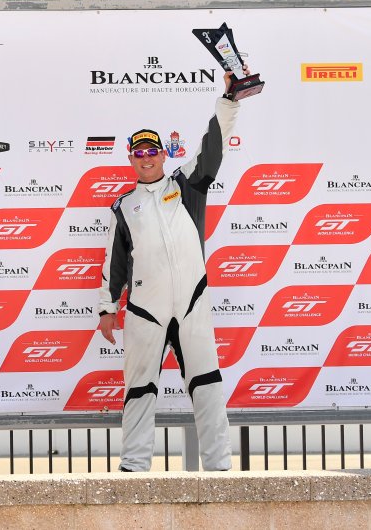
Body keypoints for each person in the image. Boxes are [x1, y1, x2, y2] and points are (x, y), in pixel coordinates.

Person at [98, 68, 249, 472]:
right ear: (131, 158)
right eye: (139, 153)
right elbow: (114, 262)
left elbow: (214, 144)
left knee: (207, 385)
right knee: (139, 390)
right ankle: (134, 468)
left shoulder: (187, 184)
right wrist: (107, 308)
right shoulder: (123, 206)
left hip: (192, 303)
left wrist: (229, 100)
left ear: (164, 155)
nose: (146, 158)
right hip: (144, 310)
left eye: (152, 152)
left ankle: (219, 469)